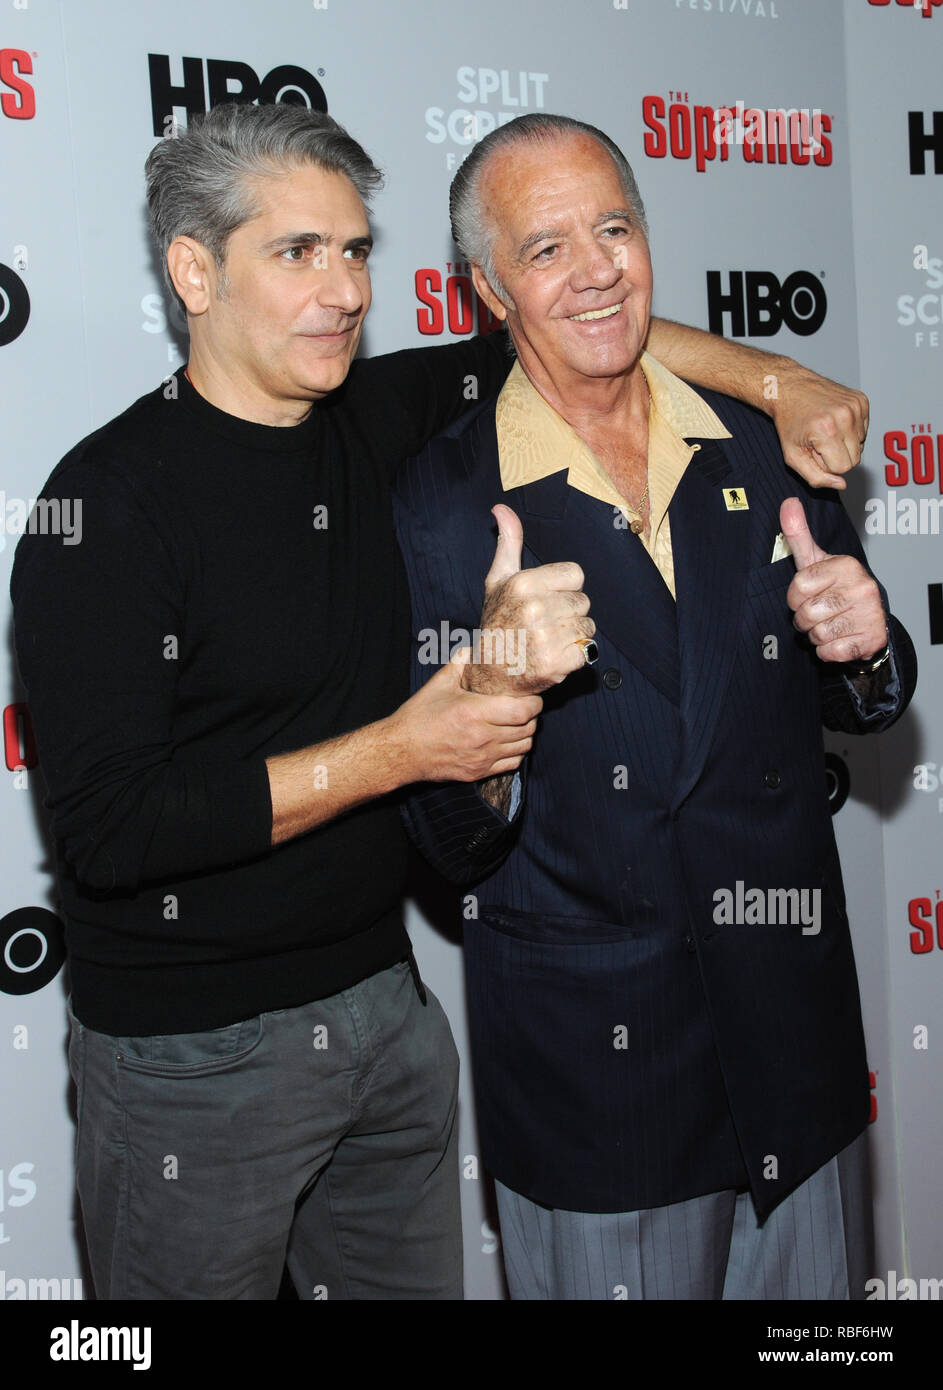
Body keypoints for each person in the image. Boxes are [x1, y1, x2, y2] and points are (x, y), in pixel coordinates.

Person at [11, 102, 875, 1302]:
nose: (344, 290)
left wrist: (776, 374)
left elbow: (586, 315)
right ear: (192, 270)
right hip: (191, 1059)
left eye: (356, 250)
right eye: (297, 252)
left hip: (389, 1025)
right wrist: (405, 745)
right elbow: (113, 829)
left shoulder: (377, 418)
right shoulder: (102, 507)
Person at [394, 113, 917, 1301]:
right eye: (545, 248)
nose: (595, 270)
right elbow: (445, 836)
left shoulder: (760, 444)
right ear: (486, 288)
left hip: (795, 1051)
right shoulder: (443, 502)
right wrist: (490, 687)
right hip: (600, 1084)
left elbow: (867, 705)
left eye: (614, 227)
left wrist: (869, 647)